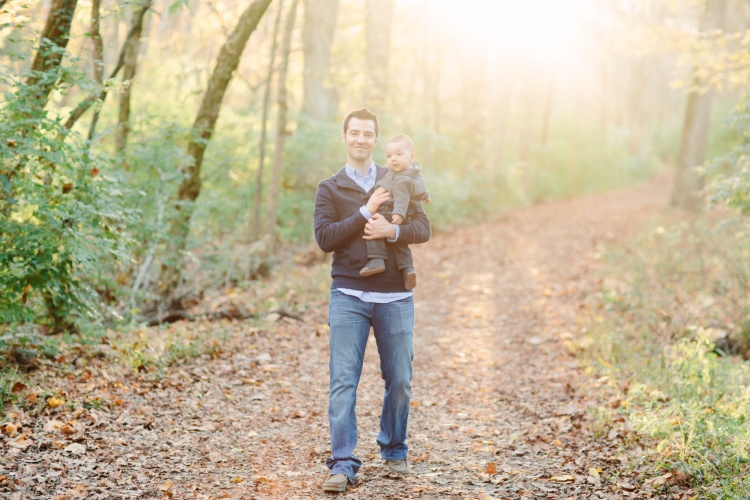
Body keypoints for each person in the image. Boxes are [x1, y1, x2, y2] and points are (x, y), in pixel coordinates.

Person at [313, 108, 432, 493]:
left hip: (396, 296)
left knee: (400, 379)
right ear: (344, 137)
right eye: (355, 133)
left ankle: (394, 450)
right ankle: (342, 463)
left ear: (376, 140)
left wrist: (390, 231)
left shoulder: (397, 175)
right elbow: (325, 238)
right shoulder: (329, 188)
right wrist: (365, 211)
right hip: (348, 294)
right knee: (343, 381)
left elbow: (423, 227)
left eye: (368, 134)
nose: (361, 139)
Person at [359, 134, 430, 291]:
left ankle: (376, 259)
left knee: (372, 225)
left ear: (411, 156)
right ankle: (408, 269)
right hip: (404, 214)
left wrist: (398, 214)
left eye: (399, 154)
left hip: (392, 211)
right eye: (389, 156)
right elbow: (420, 188)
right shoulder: (415, 173)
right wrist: (426, 196)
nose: (393, 159)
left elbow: (402, 197)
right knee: (399, 243)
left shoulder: (401, 179)